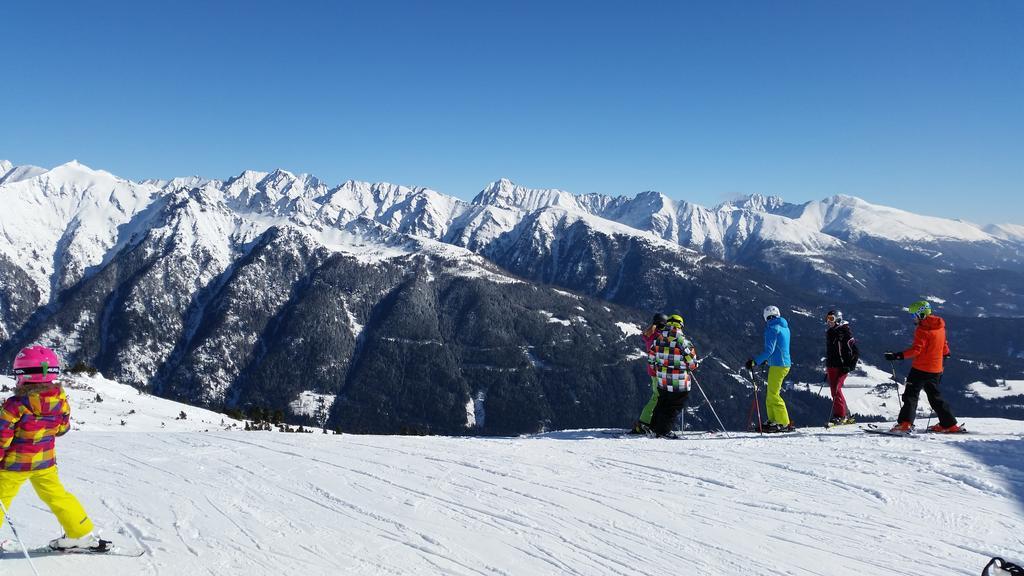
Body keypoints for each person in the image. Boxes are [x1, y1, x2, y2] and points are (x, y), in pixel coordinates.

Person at [0, 345, 102, 551]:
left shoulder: (15, 405)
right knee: (56, 495)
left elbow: (2, 436)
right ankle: (80, 534)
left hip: (13, 465)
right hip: (44, 462)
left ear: (22, 375)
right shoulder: (60, 400)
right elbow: (62, 428)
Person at [884, 301, 961, 433]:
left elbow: (916, 350)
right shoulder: (940, 327)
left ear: (921, 314)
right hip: (936, 369)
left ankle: (905, 424)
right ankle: (949, 424)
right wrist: (945, 354)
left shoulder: (922, 329)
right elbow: (944, 346)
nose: (912, 318)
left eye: (913, 315)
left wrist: (897, 356)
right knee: (935, 397)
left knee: (910, 395)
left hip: (920, 369)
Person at [647, 314, 699, 438]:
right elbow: (692, 364)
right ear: (680, 326)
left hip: (662, 380)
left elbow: (651, 360)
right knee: (673, 407)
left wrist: (660, 370)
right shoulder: (683, 342)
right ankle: (664, 431)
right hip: (679, 382)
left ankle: (653, 427)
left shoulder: (658, 339)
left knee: (661, 402)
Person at [746, 305, 794, 432]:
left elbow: (769, 350)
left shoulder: (772, 329)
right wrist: (767, 359)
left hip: (779, 365)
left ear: (765, 317)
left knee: (773, 394)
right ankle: (773, 420)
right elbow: (779, 347)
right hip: (781, 363)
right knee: (770, 394)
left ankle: (783, 422)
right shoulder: (784, 327)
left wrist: (755, 362)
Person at [631, 313, 668, 435]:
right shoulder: (659, 337)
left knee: (657, 396)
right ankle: (644, 422)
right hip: (659, 371)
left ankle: (649, 421)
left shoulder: (650, 335)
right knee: (657, 397)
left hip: (653, 370)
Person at [824, 309, 859, 425]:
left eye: (831, 319)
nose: (829, 321)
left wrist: (850, 365)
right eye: (827, 319)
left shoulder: (844, 332)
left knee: (836, 390)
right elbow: (831, 352)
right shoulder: (831, 332)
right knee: (834, 390)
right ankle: (845, 414)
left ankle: (840, 415)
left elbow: (855, 351)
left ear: (838, 319)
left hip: (842, 366)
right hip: (832, 366)